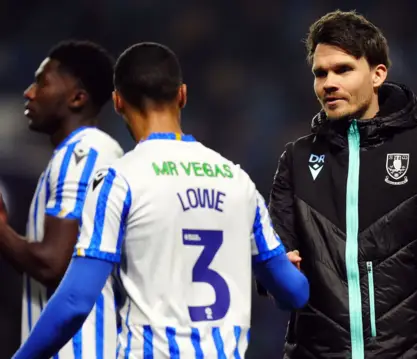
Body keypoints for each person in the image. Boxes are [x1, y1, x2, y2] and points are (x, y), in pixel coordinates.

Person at [12, 42, 309, 359]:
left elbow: (75, 302)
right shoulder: (237, 181)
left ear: (117, 102)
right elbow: (295, 292)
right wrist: (279, 275)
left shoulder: (119, 180)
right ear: (182, 95)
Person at [260, 10, 417, 359]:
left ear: (378, 74)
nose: (328, 83)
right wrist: (274, 271)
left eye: (343, 69)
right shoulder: (295, 160)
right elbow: (277, 264)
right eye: (320, 73)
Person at [0, 40, 123, 358]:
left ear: (77, 97)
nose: (29, 92)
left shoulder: (83, 153)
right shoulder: (87, 153)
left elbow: (51, 263)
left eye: (42, 82)